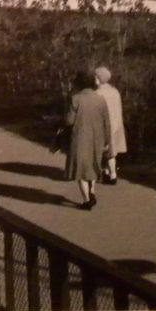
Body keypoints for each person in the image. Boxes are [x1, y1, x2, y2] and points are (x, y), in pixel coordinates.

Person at [63, 69, 112, 210]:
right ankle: (92, 191)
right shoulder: (100, 99)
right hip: (97, 138)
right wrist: (107, 141)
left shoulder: (75, 99)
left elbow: (69, 121)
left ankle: (86, 200)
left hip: (80, 138)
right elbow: (106, 122)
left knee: (81, 170)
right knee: (93, 166)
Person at [94, 66, 126, 184]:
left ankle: (107, 173)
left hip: (104, 126)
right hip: (116, 125)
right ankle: (110, 173)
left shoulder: (98, 93)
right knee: (111, 152)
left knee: (104, 151)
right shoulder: (115, 91)